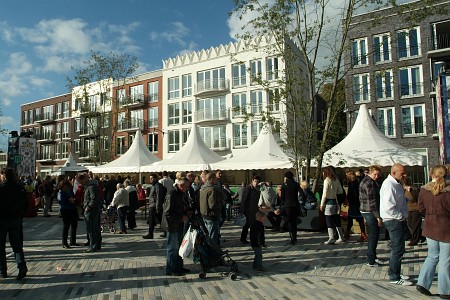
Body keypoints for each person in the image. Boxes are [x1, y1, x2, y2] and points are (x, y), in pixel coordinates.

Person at [416, 165, 450, 298]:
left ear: (432, 174)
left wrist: (430, 215)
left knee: (432, 256)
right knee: (445, 260)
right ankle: (445, 291)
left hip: (430, 227)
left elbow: (421, 209)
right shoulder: (448, 192)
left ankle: (422, 283)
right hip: (446, 228)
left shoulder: (424, 190)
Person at [380, 163, 412, 286]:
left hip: (396, 218)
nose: (404, 175)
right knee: (398, 248)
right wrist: (400, 216)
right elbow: (388, 206)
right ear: (393, 173)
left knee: (398, 247)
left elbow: (398, 201)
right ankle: (394, 276)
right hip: (393, 219)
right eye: (402, 173)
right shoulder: (389, 185)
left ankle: (394, 271)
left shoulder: (396, 184)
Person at [0, 168, 28, 280]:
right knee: (16, 245)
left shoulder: (1, 188)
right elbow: (25, 204)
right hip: (16, 219)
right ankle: (21, 266)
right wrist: (20, 215)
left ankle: (3, 270)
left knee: (1, 246)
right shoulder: (20, 188)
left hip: (2, 219)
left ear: (4, 176)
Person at [160, 177, 191, 276]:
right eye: (186, 186)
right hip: (172, 225)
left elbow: (182, 207)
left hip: (179, 224)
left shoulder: (181, 194)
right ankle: (171, 269)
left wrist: (187, 212)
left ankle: (178, 267)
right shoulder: (172, 194)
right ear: (180, 186)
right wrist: (180, 218)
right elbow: (168, 213)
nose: (188, 188)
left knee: (179, 247)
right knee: (173, 248)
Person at [359, 165, 384, 267]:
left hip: (365, 210)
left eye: (378, 175)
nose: (377, 176)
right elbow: (372, 202)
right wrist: (378, 217)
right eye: (375, 174)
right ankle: (371, 259)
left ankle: (373, 256)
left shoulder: (365, 180)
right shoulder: (369, 183)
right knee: (374, 235)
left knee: (374, 234)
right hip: (370, 211)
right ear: (370, 172)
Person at [320, 167, 346, 244]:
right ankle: (341, 237)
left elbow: (324, 194)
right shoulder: (336, 179)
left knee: (329, 220)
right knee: (337, 219)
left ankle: (331, 237)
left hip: (329, 202)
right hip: (336, 201)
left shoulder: (326, 181)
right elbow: (340, 191)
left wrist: (322, 204)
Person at [78, 173, 102, 253]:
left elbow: (94, 198)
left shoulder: (91, 186)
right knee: (95, 228)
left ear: (84, 179)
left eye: (81, 181)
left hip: (91, 211)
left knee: (91, 229)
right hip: (93, 210)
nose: (81, 183)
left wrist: (88, 207)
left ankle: (93, 246)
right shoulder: (90, 186)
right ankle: (97, 245)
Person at [199, 172, 223, 245]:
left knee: (208, 233)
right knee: (213, 235)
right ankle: (213, 251)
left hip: (204, 213)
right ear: (211, 179)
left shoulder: (202, 188)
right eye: (215, 178)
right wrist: (220, 203)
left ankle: (210, 248)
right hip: (211, 215)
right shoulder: (212, 189)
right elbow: (212, 205)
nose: (216, 180)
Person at [344, 171, 367, 242]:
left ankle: (347, 234)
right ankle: (363, 235)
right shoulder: (358, 183)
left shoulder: (352, 184)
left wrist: (348, 200)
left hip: (354, 204)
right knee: (360, 220)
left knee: (350, 219)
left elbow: (353, 194)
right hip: (358, 203)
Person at [400, 177, 423, 247]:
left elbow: (419, 198)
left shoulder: (413, 189)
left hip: (416, 208)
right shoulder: (401, 190)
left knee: (415, 225)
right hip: (408, 209)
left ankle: (414, 240)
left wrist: (411, 191)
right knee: (409, 224)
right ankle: (421, 235)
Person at [280, 171, 301, 245]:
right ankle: (295, 237)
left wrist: (281, 205)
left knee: (289, 222)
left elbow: (282, 197)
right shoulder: (296, 184)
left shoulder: (285, 185)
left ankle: (292, 238)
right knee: (294, 221)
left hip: (287, 205)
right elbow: (301, 193)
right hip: (295, 205)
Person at [239, 176, 261, 244]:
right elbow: (244, 200)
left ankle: (252, 238)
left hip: (254, 210)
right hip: (247, 210)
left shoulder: (257, 189)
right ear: (252, 181)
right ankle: (243, 238)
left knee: (253, 225)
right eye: (255, 181)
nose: (256, 183)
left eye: (257, 182)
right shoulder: (248, 188)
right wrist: (242, 211)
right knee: (247, 225)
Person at [143, 174, 166, 239]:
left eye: (152, 178)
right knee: (154, 220)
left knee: (156, 220)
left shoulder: (157, 186)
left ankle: (151, 234)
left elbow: (159, 197)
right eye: (150, 178)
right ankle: (151, 233)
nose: (150, 180)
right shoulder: (154, 186)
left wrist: (158, 207)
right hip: (153, 205)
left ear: (155, 178)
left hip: (154, 205)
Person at [57, 180, 78, 248]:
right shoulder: (61, 193)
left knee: (74, 225)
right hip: (65, 210)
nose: (66, 188)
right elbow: (61, 201)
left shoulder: (70, 191)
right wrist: (69, 201)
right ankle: (64, 242)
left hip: (73, 209)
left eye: (67, 186)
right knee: (66, 226)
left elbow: (73, 196)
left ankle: (73, 241)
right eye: (64, 187)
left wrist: (73, 200)